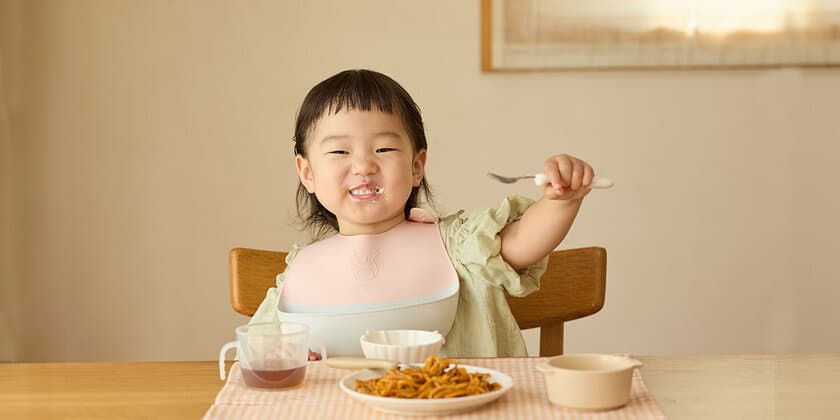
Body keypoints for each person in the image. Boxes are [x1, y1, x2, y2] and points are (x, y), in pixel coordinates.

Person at [249, 69, 596, 358]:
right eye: (340, 150)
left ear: (417, 166)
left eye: (383, 148)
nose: (363, 165)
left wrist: (561, 200)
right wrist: (289, 357)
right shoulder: (299, 274)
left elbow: (524, 243)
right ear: (307, 173)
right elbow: (258, 355)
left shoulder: (460, 245)